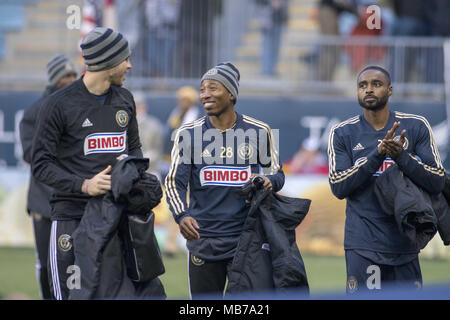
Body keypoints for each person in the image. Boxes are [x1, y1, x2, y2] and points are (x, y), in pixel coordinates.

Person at [31, 27, 143, 300]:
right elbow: (40, 164)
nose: (129, 64)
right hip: (73, 218)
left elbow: (135, 150)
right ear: (107, 61)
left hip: (115, 217)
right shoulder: (58, 104)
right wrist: (84, 185)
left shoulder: (125, 99)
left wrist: (133, 173)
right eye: (124, 58)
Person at [164, 62, 285, 298]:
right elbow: (173, 183)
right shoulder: (187, 134)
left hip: (248, 238)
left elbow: (277, 174)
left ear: (231, 94)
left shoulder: (259, 131)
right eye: (202, 89)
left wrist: (268, 180)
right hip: (204, 239)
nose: (205, 94)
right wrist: (182, 215)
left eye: (213, 88)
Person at [327, 65, 445, 294]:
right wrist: (377, 154)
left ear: (390, 90)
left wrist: (401, 156)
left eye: (376, 84)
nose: (368, 89)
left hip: (405, 240)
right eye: (363, 85)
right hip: (363, 243)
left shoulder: (415, 125)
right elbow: (338, 187)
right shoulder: (343, 132)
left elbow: (437, 180)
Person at [19, 54, 77, 300]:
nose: (71, 80)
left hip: (72, 199)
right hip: (44, 200)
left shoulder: (76, 107)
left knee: (73, 260)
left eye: (73, 76)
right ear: (55, 80)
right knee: (46, 262)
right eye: (66, 76)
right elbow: (31, 154)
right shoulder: (34, 112)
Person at [133, 91, 163, 176]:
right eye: (136, 106)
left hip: (150, 169)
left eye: (140, 106)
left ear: (145, 107)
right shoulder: (126, 125)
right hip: (131, 169)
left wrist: (147, 157)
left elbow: (157, 149)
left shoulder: (154, 125)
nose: (138, 109)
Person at [256, 0, 288, 77]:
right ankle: (266, 70)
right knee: (267, 45)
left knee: (276, 47)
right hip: (267, 20)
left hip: (279, 19)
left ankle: (272, 69)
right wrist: (270, 2)